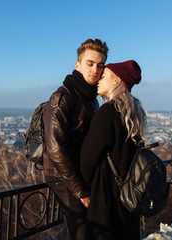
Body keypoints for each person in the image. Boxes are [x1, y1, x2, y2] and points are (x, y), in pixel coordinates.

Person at [43, 38, 109, 239]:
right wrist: (80, 190)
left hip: (82, 174)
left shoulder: (91, 98)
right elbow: (55, 149)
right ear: (78, 65)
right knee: (82, 232)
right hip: (63, 176)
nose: (95, 70)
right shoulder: (63, 97)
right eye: (90, 64)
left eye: (100, 65)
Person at [80, 60, 146, 239]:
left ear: (116, 80)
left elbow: (88, 158)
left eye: (105, 75)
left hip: (107, 197)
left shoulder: (108, 112)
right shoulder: (133, 112)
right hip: (129, 195)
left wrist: (81, 189)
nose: (99, 79)